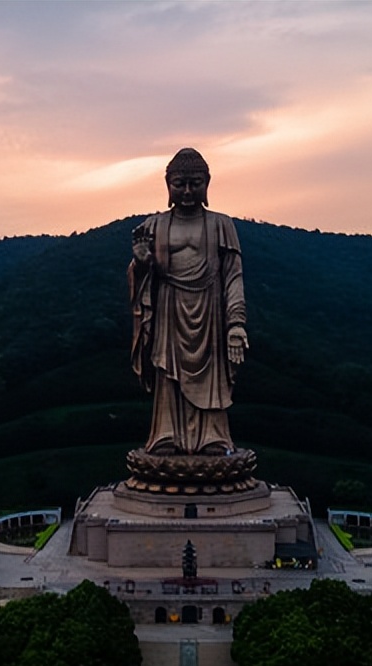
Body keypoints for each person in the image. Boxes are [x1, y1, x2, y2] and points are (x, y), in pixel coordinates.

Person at [130, 148, 248, 456]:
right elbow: (142, 278)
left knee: (211, 377)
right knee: (167, 375)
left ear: (207, 184)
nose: (186, 191)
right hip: (169, 309)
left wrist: (236, 324)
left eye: (194, 183)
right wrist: (142, 264)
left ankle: (214, 438)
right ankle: (166, 435)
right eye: (179, 183)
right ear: (167, 185)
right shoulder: (154, 225)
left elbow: (234, 277)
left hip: (209, 310)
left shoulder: (222, 225)